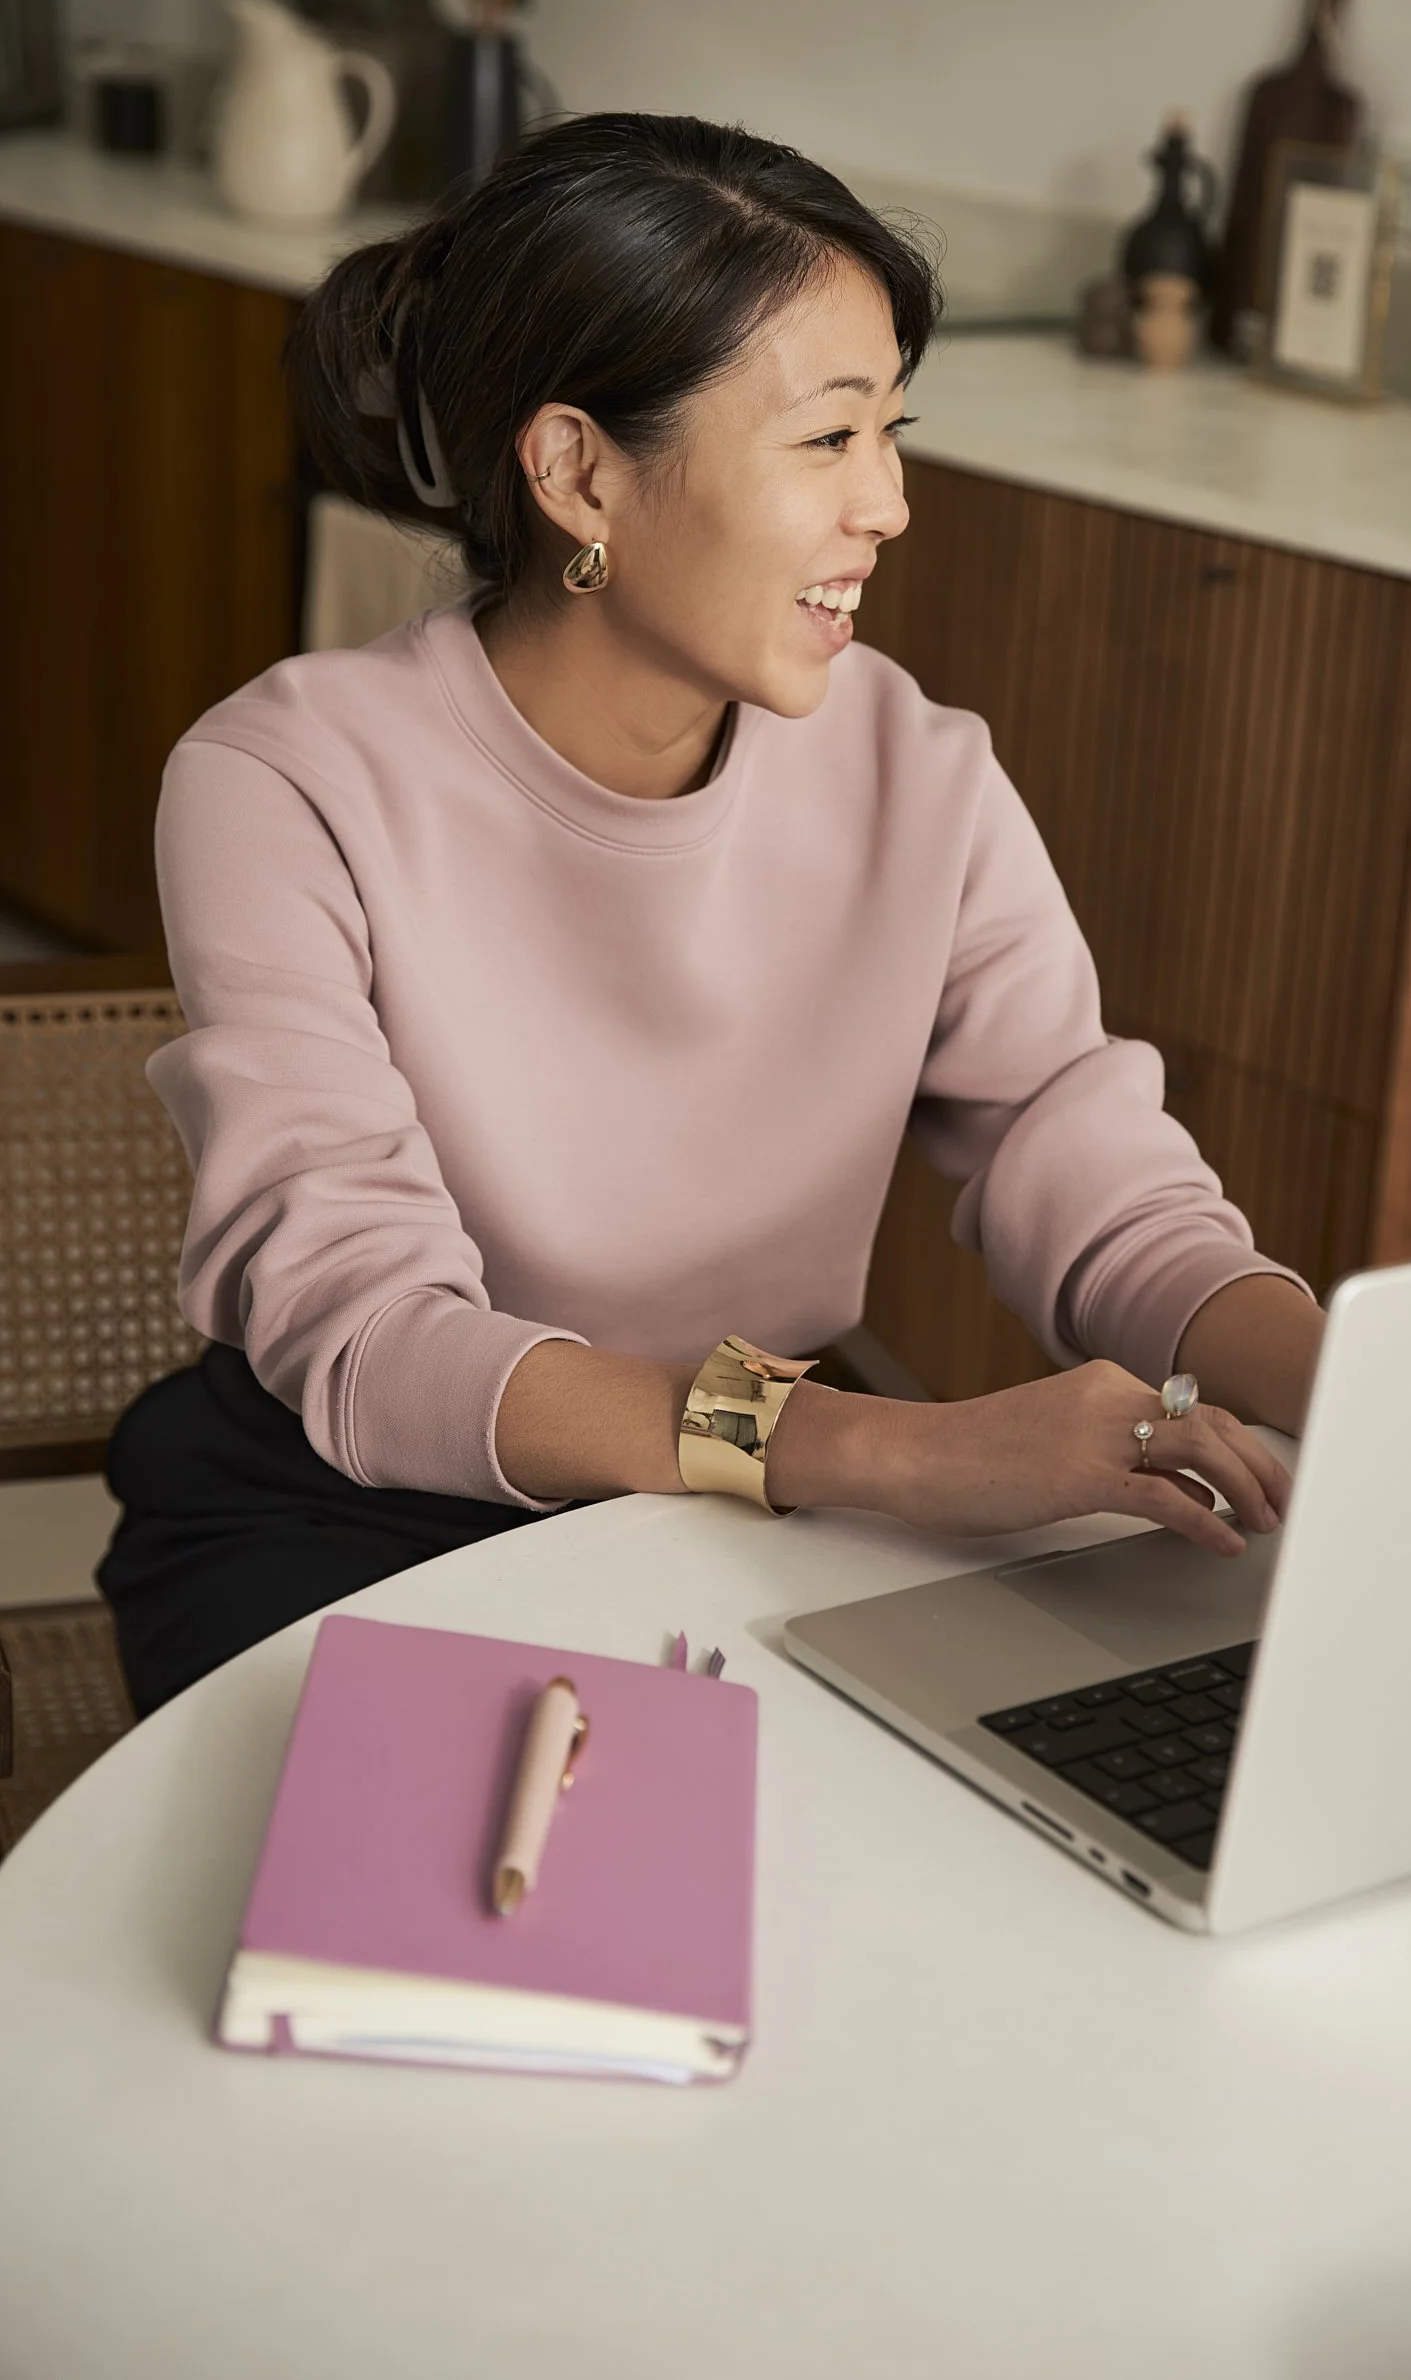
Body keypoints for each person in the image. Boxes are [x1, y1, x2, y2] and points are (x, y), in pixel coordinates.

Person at [98, 112, 1325, 1717]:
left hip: (757, 1512)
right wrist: (895, 1451)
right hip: (357, 1521)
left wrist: (1373, 1408)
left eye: (895, 433)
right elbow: (374, 1335)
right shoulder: (286, 779)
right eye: (828, 440)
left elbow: (1093, 1181)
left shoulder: (914, 765)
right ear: (580, 470)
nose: (887, 505)